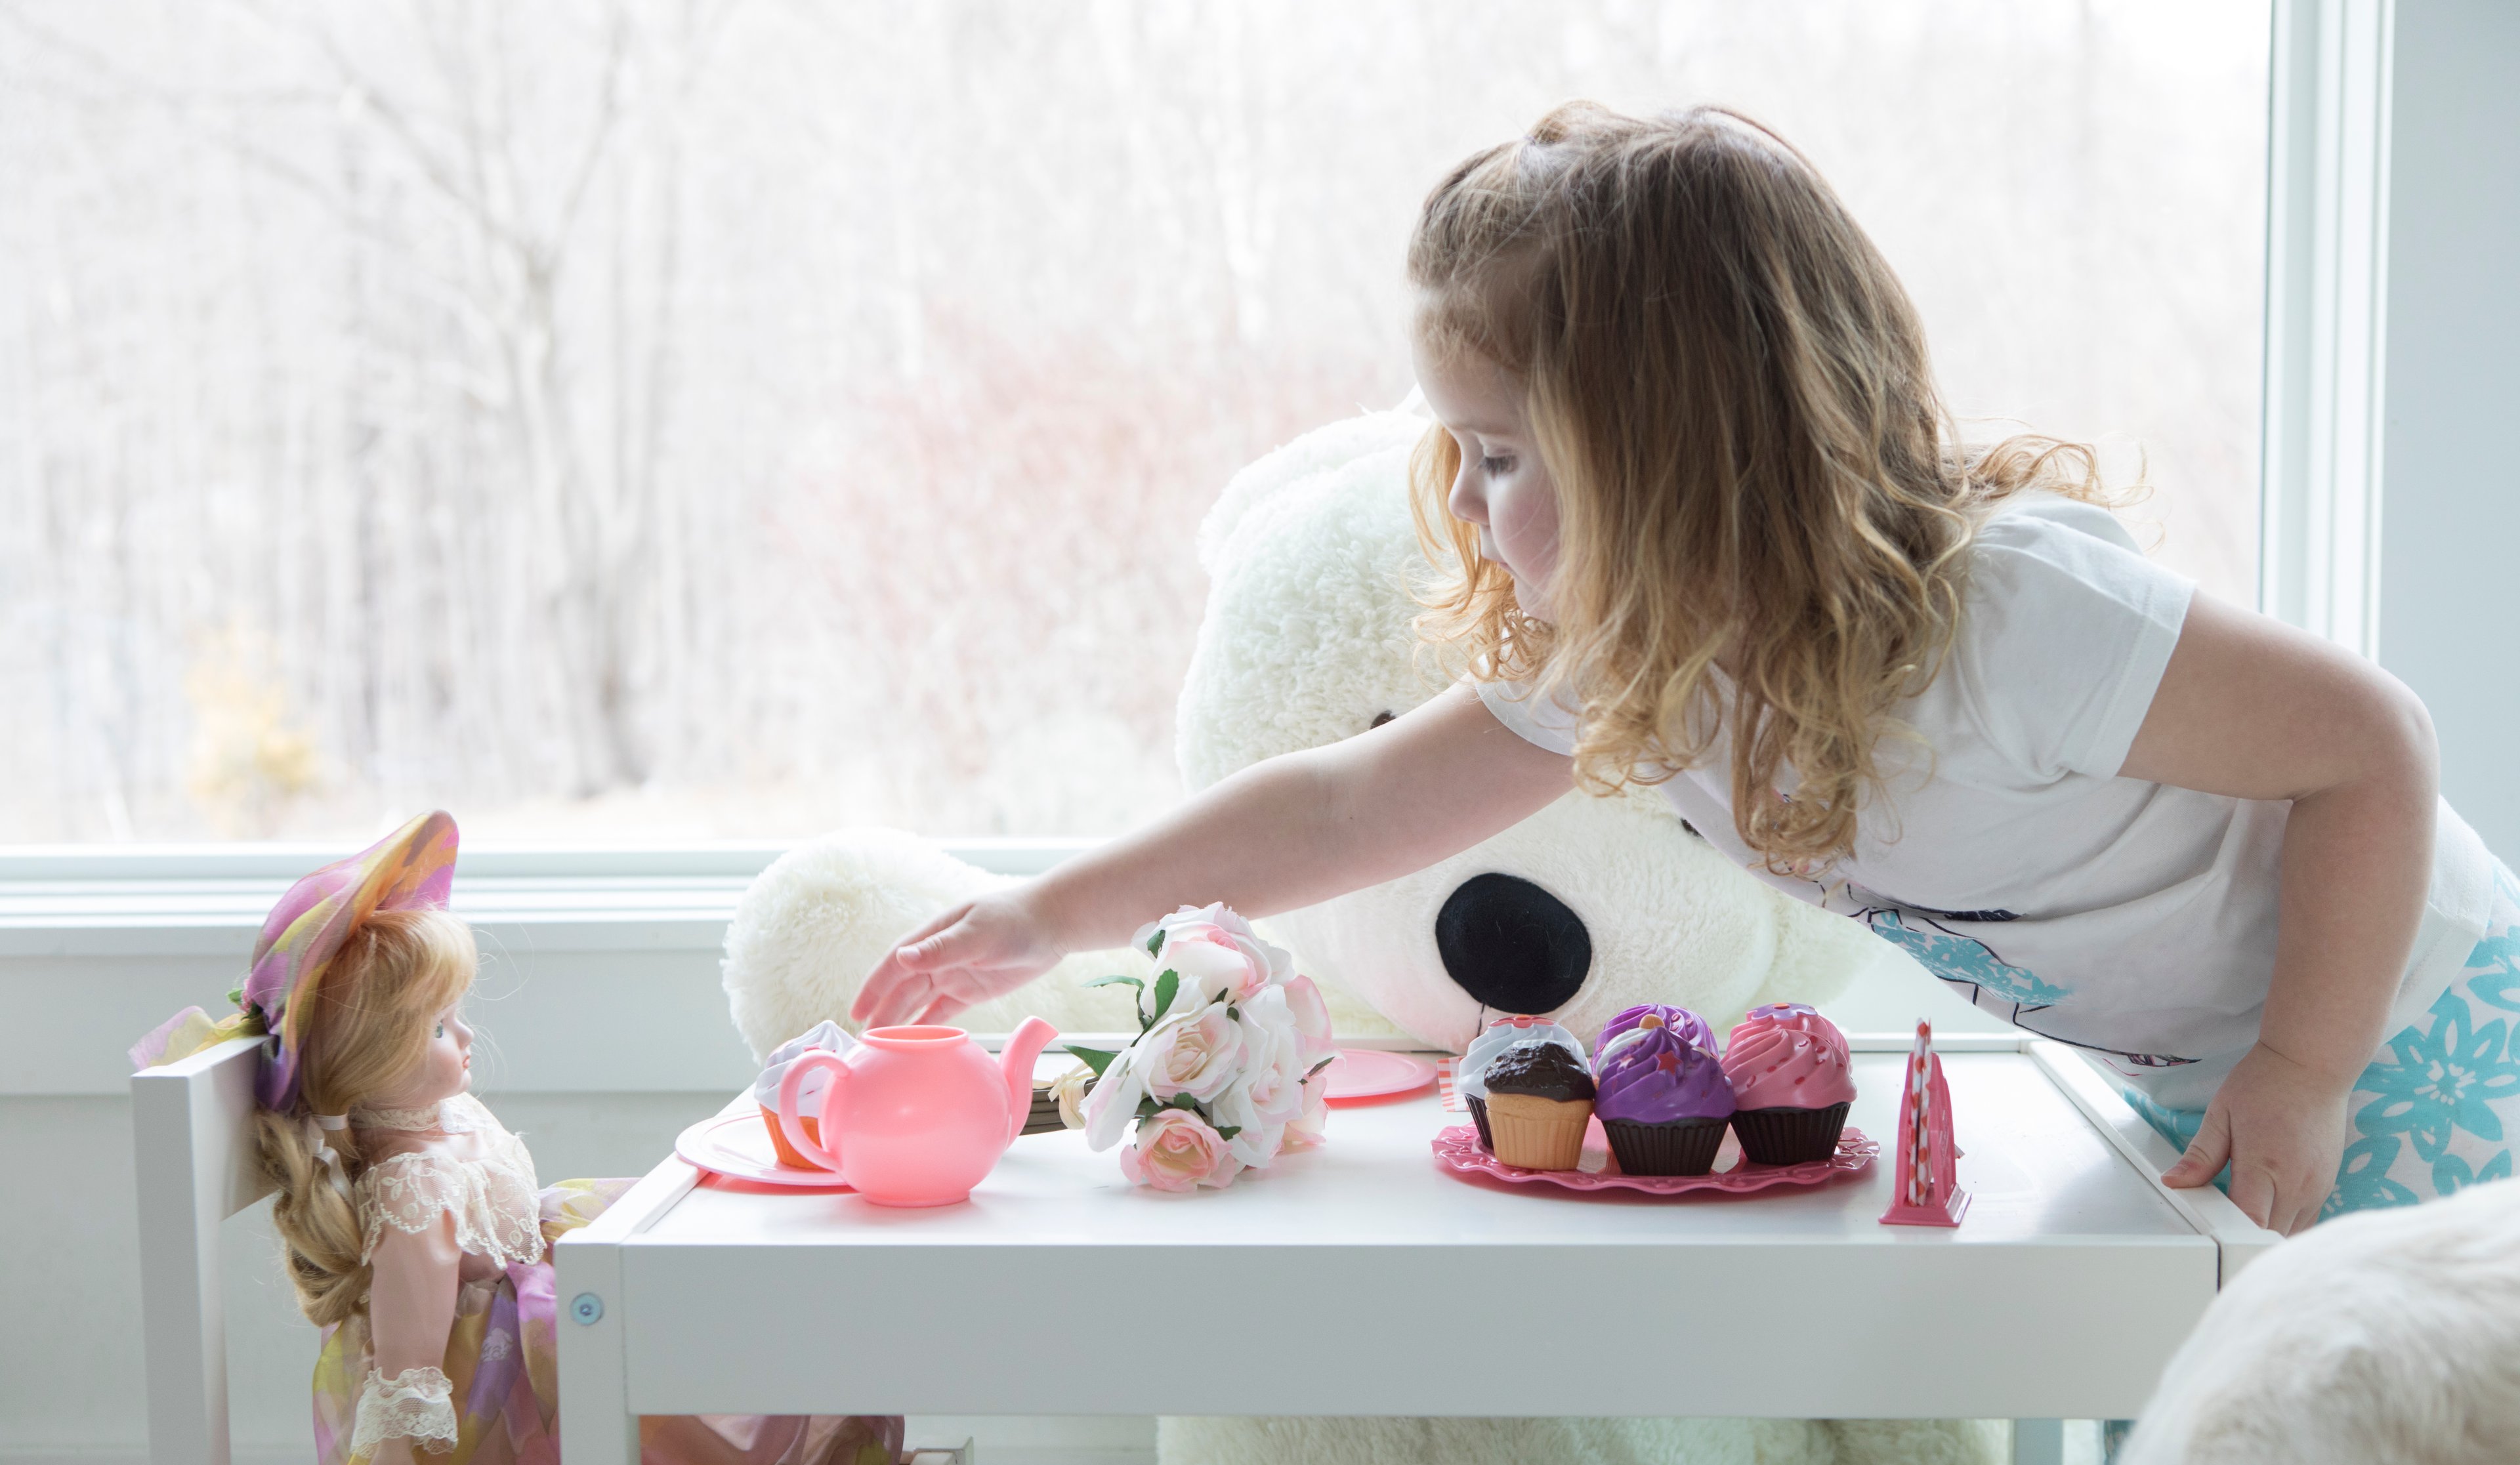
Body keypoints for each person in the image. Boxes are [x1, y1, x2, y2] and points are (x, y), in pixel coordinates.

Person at [854, 102, 2509, 1235]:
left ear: (1674, 451)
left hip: (2413, 1023)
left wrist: (2310, 1065)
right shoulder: (1650, 666)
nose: (1475, 502)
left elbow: (2370, 745)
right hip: (2193, 1074)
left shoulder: (1997, 618)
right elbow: (1350, 806)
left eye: (1507, 453)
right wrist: (1043, 915)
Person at [133, 812, 901, 1465]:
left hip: (541, 1290)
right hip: (502, 1389)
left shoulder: (441, 1124)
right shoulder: (411, 1184)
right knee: (670, 1412)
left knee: (684, 1282)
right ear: (368, 1061)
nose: (463, 1038)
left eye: (454, 1017)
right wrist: (397, 1447)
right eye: (434, 1030)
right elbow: (415, 1334)